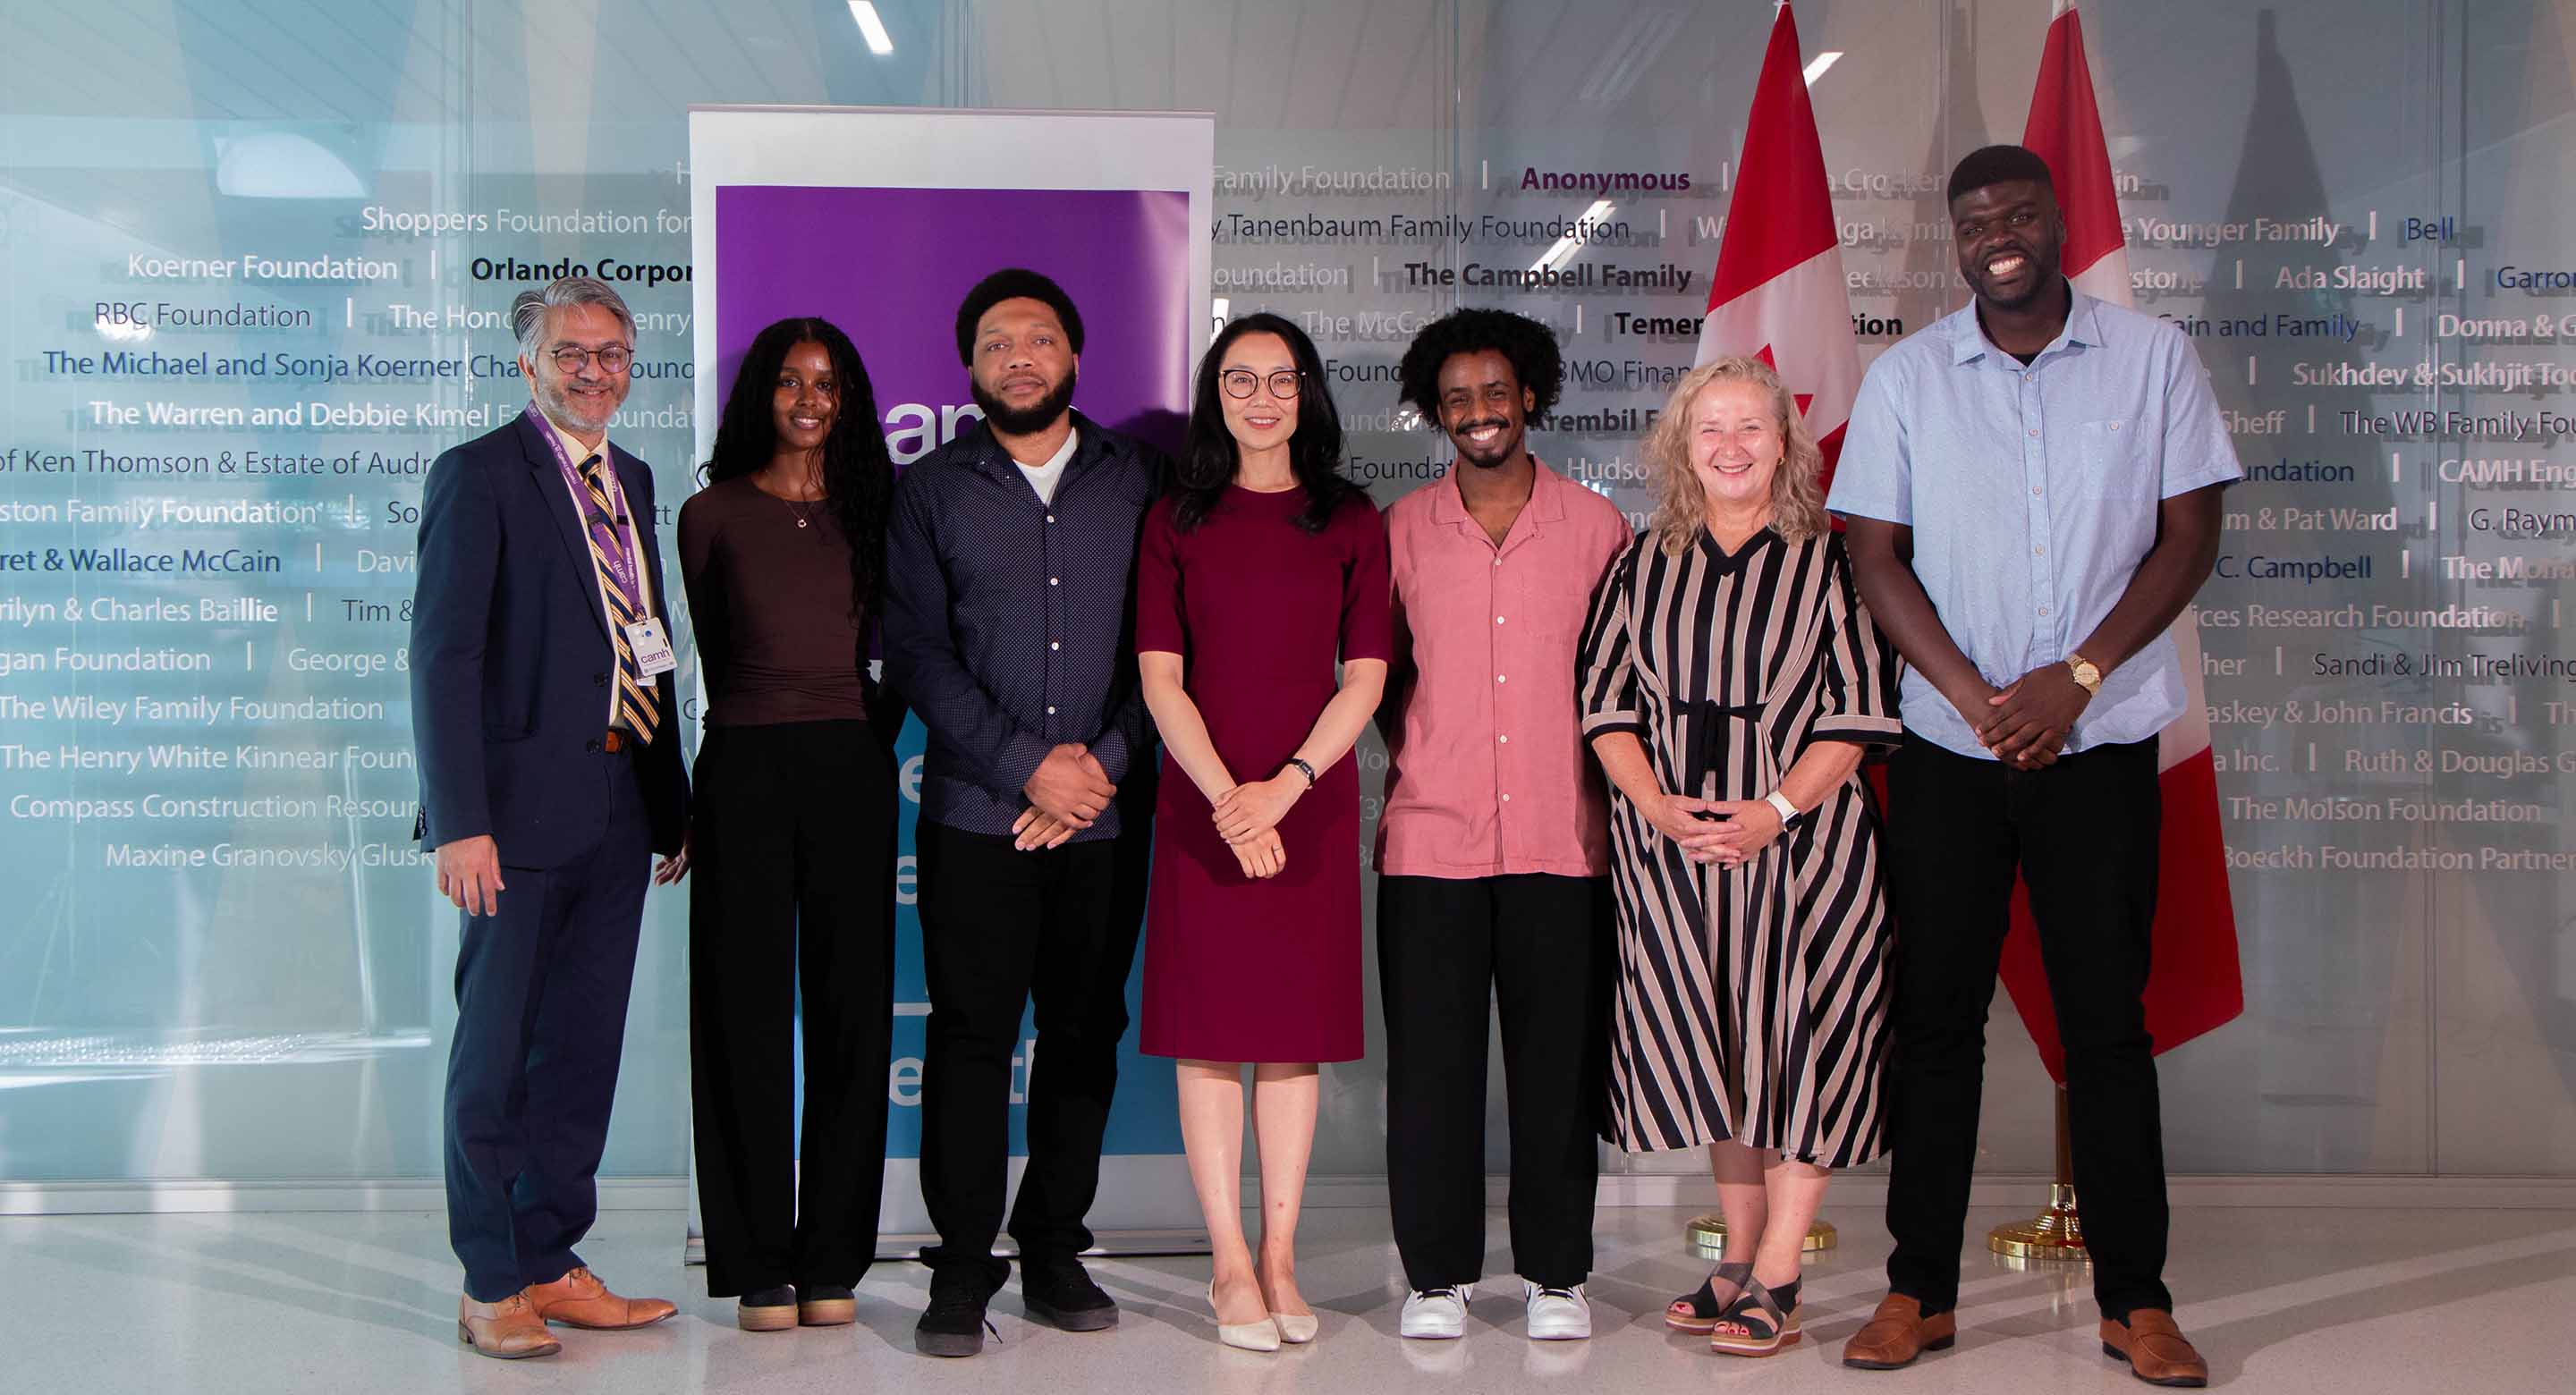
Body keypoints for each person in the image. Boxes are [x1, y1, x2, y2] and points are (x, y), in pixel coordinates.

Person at [1828, 146, 2236, 1387]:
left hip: (2100, 745)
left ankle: (2138, 1303)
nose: (1997, 235)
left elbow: (2189, 536)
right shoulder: (1907, 380)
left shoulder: (2153, 358)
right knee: (1937, 1023)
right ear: (1954, 242)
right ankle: (1918, 1294)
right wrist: (1982, 699)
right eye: (1974, 221)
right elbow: (1874, 557)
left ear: (2057, 221)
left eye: (2016, 212)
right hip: (1953, 755)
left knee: (2108, 1025)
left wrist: (2080, 679)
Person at [1577, 355, 1902, 1358]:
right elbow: (1606, 703)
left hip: (1805, 848)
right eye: (1709, 429)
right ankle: (1739, 1250)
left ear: (1786, 444)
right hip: (1674, 850)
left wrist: (1770, 810)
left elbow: (1854, 713)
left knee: (1806, 1047)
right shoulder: (1643, 558)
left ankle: (1783, 1269)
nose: (1730, 446)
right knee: (1721, 1045)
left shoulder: (1834, 558)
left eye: (1751, 429)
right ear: (1681, 444)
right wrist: (1658, 810)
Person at [881, 267, 1165, 1357]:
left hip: (1104, 817)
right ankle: (962, 1269)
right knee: (971, 1039)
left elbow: (1166, 647)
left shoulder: (1135, 480)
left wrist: (1093, 765)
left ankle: (1053, 1246)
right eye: (997, 343)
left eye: (1038, 338)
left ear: (1074, 358)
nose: (1018, 358)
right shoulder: (929, 490)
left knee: (1085, 1035)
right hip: (974, 819)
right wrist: (1025, 770)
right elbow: (915, 651)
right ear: (971, 367)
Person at [411, 275, 690, 1359]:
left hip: (622, 805)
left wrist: (673, 803)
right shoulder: (479, 475)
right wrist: (460, 821)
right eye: (571, 353)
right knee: (497, 1052)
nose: (593, 370)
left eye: (611, 353)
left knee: (581, 1050)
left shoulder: (633, 477)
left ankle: (549, 1257)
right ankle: (490, 1280)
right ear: (528, 364)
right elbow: (444, 656)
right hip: (514, 821)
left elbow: (646, 641)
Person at [1133, 313, 1390, 1352]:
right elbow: (1161, 678)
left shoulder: (1350, 518)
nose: (1262, 398)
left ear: (1308, 392)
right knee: (1208, 1042)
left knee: (1290, 1045)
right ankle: (1228, 1267)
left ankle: (1282, 1259)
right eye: (1240, 380)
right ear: (1215, 394)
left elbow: (1365, 677)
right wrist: (1227, 799)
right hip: (1201, 806)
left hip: (1309, 803)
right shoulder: (1175, 519)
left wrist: (1280, 789)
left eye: (1281, 380)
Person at [1376, 309, 1629, 1343]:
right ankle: (1436, 1277)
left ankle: (1556, 1274)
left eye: (1495, 393)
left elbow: (1622, 684)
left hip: (1564, 844)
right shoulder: (1398, 531)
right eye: (1457, 399)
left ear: (1531, 395)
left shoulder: (1597, 529)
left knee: (1559, 1072)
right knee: (1430, 1072)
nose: (1478, 413)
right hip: (1430, 841)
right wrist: (1433, 751)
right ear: (1436, 412)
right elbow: (1380, 679)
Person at [679, 317, 900, 1333]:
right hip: (745, 769)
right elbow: (707, 662)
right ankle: (758, 1257)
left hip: (852, 769)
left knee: (854, 1016)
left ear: (847, 400)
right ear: (759, 396)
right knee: (742, 1018)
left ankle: (832, 1260)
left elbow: (898, 658)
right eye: (788, 382)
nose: (808, 400)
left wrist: (854, 740)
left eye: (826, 384)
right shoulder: (710, 514)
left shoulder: (880, 512)